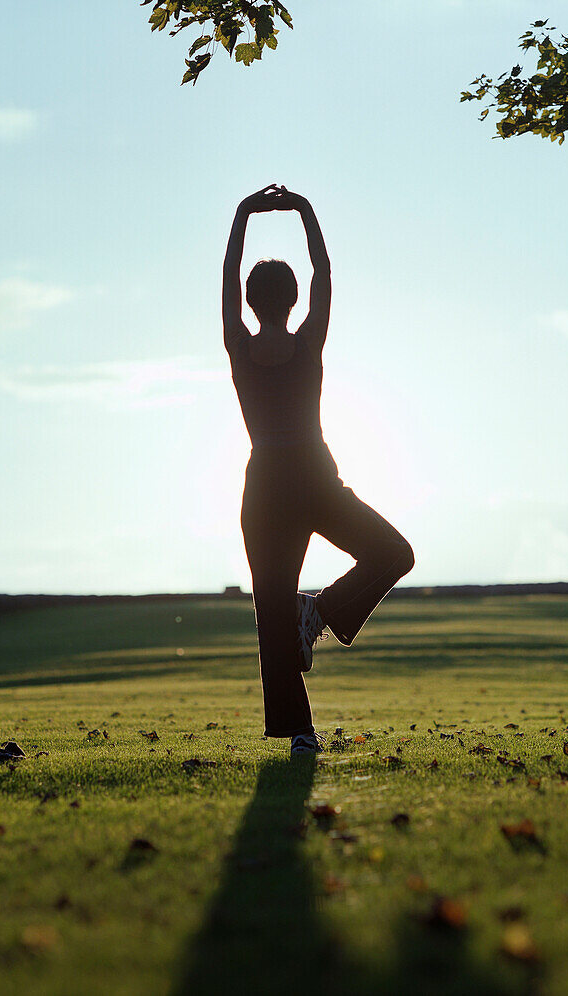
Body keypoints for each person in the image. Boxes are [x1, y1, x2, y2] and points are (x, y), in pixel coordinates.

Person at [223, 184, 415, 757]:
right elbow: (325, 275)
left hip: (268, 488)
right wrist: (304, 211)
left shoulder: (237, 343)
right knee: (393, 554)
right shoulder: (310, 342)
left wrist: (243, 216)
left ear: (254, 304)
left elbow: (229, 278)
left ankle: (304, 708)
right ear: (293, 298)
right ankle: (320, 618)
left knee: (274, 613)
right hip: (312, 476)